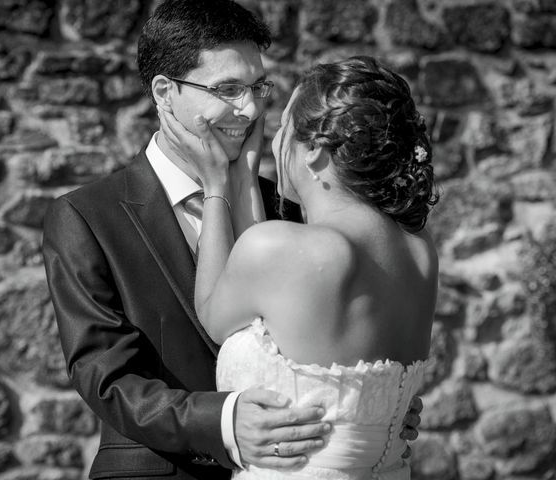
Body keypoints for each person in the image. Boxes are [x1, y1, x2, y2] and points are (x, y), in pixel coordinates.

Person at [42, 0, 422, 478]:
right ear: (165, 92)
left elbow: (344, 337)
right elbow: (105, 377)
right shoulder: (85, 216)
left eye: (257, 86)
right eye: (227, 88)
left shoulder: (294, 207)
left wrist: (373, 405)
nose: (249, 108)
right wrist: (222, 422)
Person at [158, 55, 439, 480]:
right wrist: (248, 184)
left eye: (283, 130)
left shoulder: (283, 249)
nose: (272, 144)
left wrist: (217, 186)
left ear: (314, 152)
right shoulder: (420, 249)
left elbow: (214, 316)